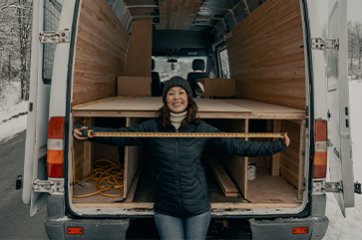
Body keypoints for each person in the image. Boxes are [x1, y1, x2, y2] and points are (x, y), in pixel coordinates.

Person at [73, 76, 290, 240]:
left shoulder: (201, 128)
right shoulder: (153, 127)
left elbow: (238, 146)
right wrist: (91, 134)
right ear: (165, 98)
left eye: (181, 92)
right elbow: (121, 136)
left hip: (198, 207)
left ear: (188, 97)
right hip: (166, 207)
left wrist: (277, 146)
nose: (176, 97)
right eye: (171, 93)